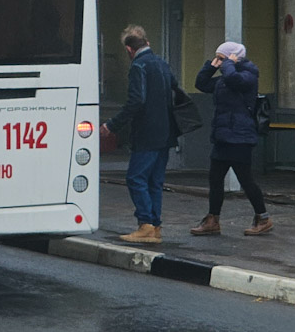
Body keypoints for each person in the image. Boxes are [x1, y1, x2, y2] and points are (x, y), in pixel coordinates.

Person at [99, 25, 178, 244]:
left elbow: (136, 101)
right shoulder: (162, 63)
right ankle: (155, 227)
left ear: (128, 49)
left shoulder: (138, 66)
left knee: (135, 178)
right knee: (155, 181)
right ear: (147, 43)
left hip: (147, 132)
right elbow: (174, 87)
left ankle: (145, 225)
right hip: (166, 132)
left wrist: (112, 125)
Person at [190, 41, 273, 236]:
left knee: (245, 178)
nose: (219, 61)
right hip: (223, 136)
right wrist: (211, 66)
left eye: (221, 57)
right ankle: (213, 219)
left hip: (240, 136)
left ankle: (263, 217)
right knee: (215, 178)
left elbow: (236, 81)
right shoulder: (223, 79)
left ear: (233, 58)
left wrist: (228, 64)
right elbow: (201, 84)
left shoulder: (248, 74)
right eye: (217, 57)